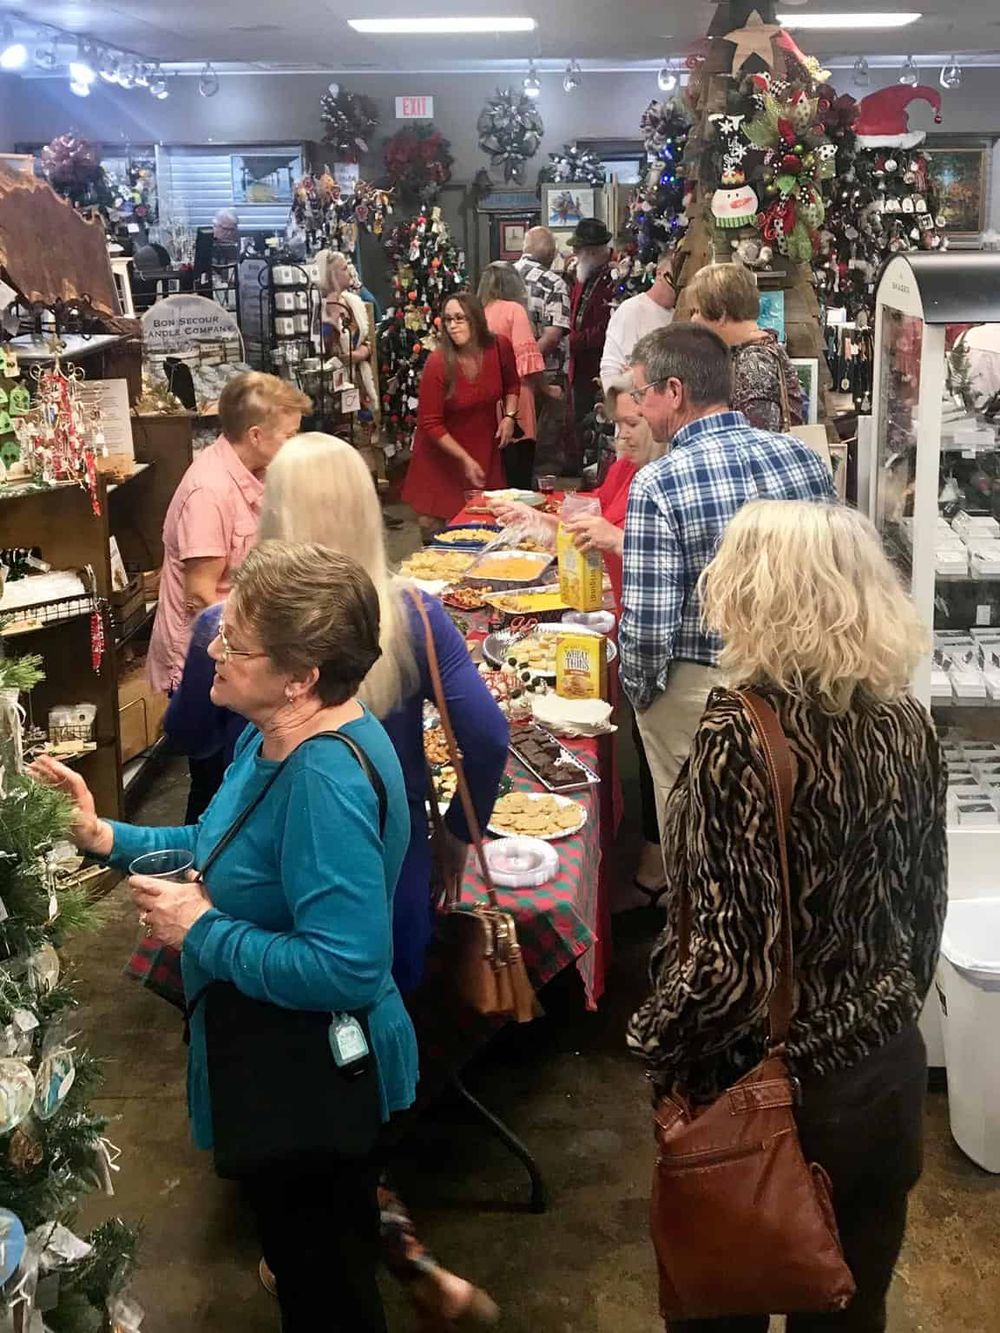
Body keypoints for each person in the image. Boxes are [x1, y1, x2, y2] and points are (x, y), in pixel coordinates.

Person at [165, 435, 509, 1327]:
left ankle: (341, 1258)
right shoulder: (412, 613)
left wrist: (200, 914)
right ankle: (377, 1248)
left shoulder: (234, 640)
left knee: (308, 1120)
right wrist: (451, 837)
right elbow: (487, 734)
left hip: (267, 903)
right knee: (352, 1103)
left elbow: (188, 737)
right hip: (390, 895)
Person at [33, 541, 419, 1333]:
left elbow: (347, 967)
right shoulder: (269, 735)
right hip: (276, 1057)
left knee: (329, 1292)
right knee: (317, 1260)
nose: (212, 645)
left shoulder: (324, 779)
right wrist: (104, 834)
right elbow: (220, 840)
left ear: (301, 675)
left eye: (236, 640)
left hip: (313, 1080)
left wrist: (203, 928)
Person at [628, 500, 948, 1333]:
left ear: (754, 593)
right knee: (850, 1306)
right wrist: (878, 1015)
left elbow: (731, 962)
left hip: (762, 1090)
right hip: (880, 1077)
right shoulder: (910, 724)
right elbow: (925, 907)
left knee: (721, 1305)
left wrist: (656, 1041)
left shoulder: (743, 731)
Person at [621, 323, 835, 838]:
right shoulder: (803, 458)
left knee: (701, 840)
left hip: (701, 690)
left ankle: (702, 920)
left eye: (640, 394)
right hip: (796, 676)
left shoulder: (658, 482)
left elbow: (650, 625)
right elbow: (833, 577)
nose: (638, 410)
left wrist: (643, 697)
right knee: (787, 827)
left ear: (674, 392)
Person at [491, 377, 667, 900]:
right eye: (616, 425)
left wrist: (576, 529)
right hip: (616, 616)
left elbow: (622, 535)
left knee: (653, 753)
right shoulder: (627, 467)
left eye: (632, 424)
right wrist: (543, 518)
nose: (620, 437)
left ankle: (656, 868)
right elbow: (591, 512)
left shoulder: (660, 479)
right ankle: (648, 855)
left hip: (634, 625)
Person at [147, 371, 310, 820]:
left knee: (234, 775)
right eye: (289, 436)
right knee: (214, 779)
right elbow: (203, 596)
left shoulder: (252, 474)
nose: (294, 446)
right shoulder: (209, 491)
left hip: (238, 648)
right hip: (209, 658)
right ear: (256, 435)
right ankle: (198, 868)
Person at [401, 292, 520, 534]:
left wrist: (509, 417)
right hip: (442, 454)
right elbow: (430, 422)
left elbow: (512, 385)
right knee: (437, 529)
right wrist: (464, 459)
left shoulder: (499, 347)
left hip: (483, 449)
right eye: (447, 320)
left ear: (475, 319)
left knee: (487, 523)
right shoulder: (438, 362)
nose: (452, 326)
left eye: (459, 318)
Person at [685, 262, 804, 431]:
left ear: (720, 312)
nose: (693, 320)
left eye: (697, 311)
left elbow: (757, 442)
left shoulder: (754, 363)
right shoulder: (758, 351)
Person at [477, 262, 546, 489]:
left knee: (496, 475)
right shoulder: (514, 310)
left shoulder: (477, 313)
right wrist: (547, 389)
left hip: (486, 401)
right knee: (519, 476)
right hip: (517, 400)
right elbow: (528, 362)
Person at [515, 227, 571, 473]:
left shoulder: (502, 277)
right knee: (546, 451)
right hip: (547, 374)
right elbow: (552, 335)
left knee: (514, 445)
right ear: (551, 254)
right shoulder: (554, 282)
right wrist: (529, 365)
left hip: (507, 376)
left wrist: (515, 364)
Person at [567, 218, 617, 474]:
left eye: (579, 249)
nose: (575, 254)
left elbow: (608, 326)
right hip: (579, 366)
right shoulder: (584, 274)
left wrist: (576, 340)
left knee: (593, 425)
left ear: (595, 250)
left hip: (596, 366)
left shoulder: (614, 278)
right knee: (579, 423)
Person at [600, 250, 677, 390]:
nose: (676, 289)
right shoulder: (630, 310)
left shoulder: (681, 315)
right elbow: (610, 369)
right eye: (673, 281)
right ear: (659, 273)